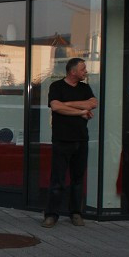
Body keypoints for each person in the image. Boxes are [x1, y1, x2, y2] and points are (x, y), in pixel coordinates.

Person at [42, 57, 97, 228]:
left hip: (81, 140)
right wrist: (80, 112)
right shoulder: (56, 86)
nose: (85, 71)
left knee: (78, 180)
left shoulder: (84, 87)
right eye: (83, 69)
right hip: (61, 140)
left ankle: (76, 213)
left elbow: (93, 103)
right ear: (73, 72)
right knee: (57, 180)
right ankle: (51, 215)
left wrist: (68, 104)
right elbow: (56, 107)